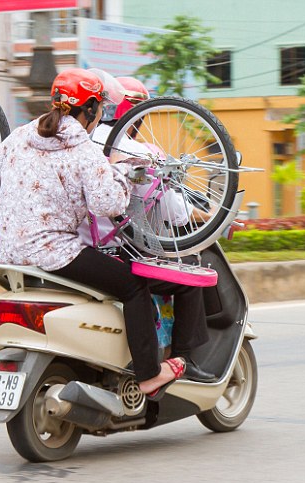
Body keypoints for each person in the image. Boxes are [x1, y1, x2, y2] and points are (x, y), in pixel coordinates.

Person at [0, 68, 209, 399]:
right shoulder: (82, 148)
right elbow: (107, 203)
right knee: (132, 285)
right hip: (55, 253)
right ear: (91, 108)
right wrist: (124, 175)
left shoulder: (21, 135)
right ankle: (149, 375)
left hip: (7, 252)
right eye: (99, 109)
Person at [81, 76, 217, 383]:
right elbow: (177, 214)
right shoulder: (138, 151)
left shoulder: (75, 144)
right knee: (190, 278)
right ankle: (181, 361)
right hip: (119, 254)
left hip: (78, 247)